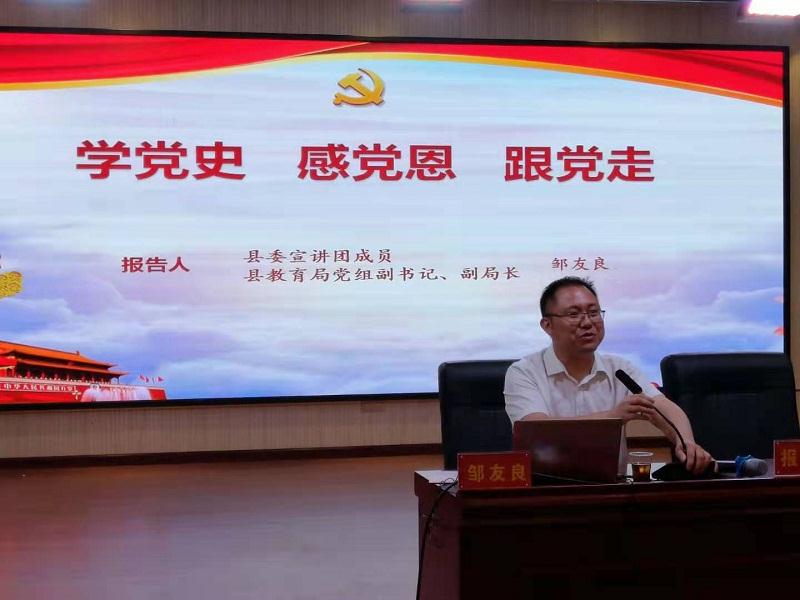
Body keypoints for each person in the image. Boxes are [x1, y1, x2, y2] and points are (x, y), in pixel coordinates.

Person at [504, 276, 713, 475]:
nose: (587, 322)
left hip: (612, 488)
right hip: (547, 488)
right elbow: (537, 431)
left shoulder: (620, 368)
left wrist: (685, 441)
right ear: (547, 325)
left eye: (594, 312)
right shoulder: (524, 372)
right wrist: (613, 417)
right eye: (574, 314)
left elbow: (662, 406)